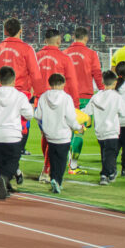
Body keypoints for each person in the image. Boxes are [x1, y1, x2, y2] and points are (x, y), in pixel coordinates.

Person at [0, 18, 41, 157]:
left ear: (5, 31)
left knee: (0, 128)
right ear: (20, 30)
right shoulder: (27, 49)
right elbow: (36, 75)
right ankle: (15, 159)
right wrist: (40, 97)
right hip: (20, 95)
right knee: (20, 129)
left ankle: (2, 163)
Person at [35, 29, 79, 183]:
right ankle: (48, 169)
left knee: (45, 135)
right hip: (60, 100)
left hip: (40, 100)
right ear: (59, 41)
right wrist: (76, 104)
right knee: (55, 137)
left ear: (45, 40)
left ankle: (47, 168)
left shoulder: (36, 56)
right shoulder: (64, 58)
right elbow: (72, 82)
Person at [0, 67, 33, 199]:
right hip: (13, 134)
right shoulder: (19, 96)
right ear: (14, 81)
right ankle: (3, 178)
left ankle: (3, 185)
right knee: (12, 161)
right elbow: (29, 114)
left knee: (0, 162)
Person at [35, 74, 83, 194]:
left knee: (53, 159)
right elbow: (71, 118)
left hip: (50, 135)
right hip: (63, 135)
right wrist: (78, 127)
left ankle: (53, 179)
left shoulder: (44, 97)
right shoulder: (66, 98)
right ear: (63, 83)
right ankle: (57, 181)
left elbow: (37, 115)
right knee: (61, 161)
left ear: (50, 83)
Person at [65, 27, 104, 174]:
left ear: (73, 37)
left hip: (66, 97)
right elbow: (97, 74)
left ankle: (63, 161)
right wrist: (103, 92)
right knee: (79, 131)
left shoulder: (65, 53)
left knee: (66, 131)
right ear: (86, 38)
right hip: (84, 97)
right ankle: (73, 165)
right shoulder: (91, 54)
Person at [82, 71, 125, 185]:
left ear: (102, 82)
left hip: (100, 130)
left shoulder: (96, 96)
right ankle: (105, 174)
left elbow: (87, 112)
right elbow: (124, 113)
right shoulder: (117, 97)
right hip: (112, 130)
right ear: (115, 83)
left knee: (105, 153)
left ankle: (110, 172)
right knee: (110, 154)